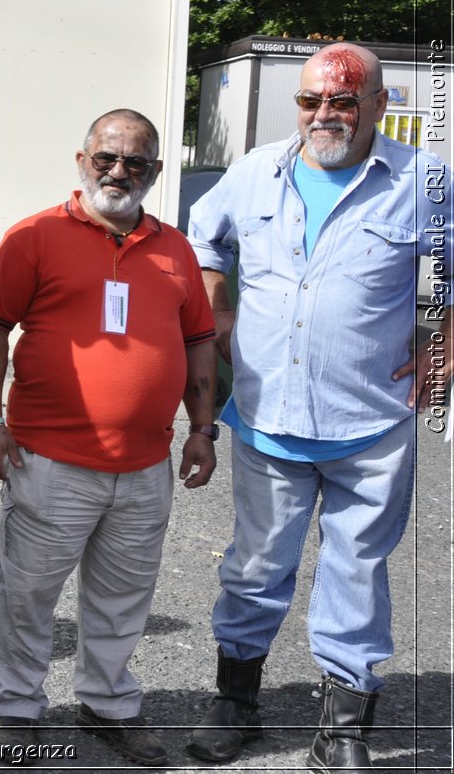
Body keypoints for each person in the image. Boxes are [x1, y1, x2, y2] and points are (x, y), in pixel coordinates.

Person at [185, 42, 447, 772]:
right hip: (269, 418)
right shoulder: (254, 172)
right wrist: (217, 307)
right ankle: (235, 700)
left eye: (343, 100)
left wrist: (449, 342)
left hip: (372, 420)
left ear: (379, 105)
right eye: (310, 101)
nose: (324, 114)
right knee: (256, 563)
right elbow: (202, 240)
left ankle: (343, 727)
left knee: (357, 568)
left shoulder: (421, 178)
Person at [0, 109, 218, 768]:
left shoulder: (175, 249)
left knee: (122, 599)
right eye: (106, 158)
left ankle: (107, 705)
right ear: (82, 162)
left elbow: (199, 341)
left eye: (135, 162)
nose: (118, 171)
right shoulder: (36, 236)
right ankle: (17, 711)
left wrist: (202, 428)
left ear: (155, 172)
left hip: (145, 466)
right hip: (50, 460)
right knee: (27, 596)